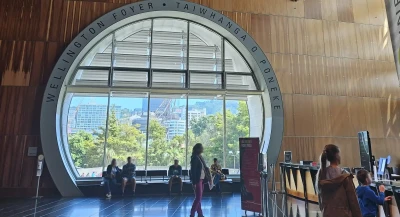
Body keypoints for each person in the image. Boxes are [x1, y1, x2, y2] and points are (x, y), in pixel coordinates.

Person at [316, 144, 362, 217]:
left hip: (327, 213)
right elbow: (353, 201)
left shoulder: (321, 174)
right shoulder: (345, 176)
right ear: (337, 155)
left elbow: (320, 199)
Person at [190, 143, 209, 217]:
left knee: (199, 197)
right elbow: (193, 170)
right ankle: (192, 213)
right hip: (197, 180)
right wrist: (194, 182)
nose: (203, 149)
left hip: (202, 179)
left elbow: (203, 168)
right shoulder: (195, 158)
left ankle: (200, 214)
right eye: (201, 147)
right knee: (198, 197)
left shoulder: (200, 157)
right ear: (198, 149)